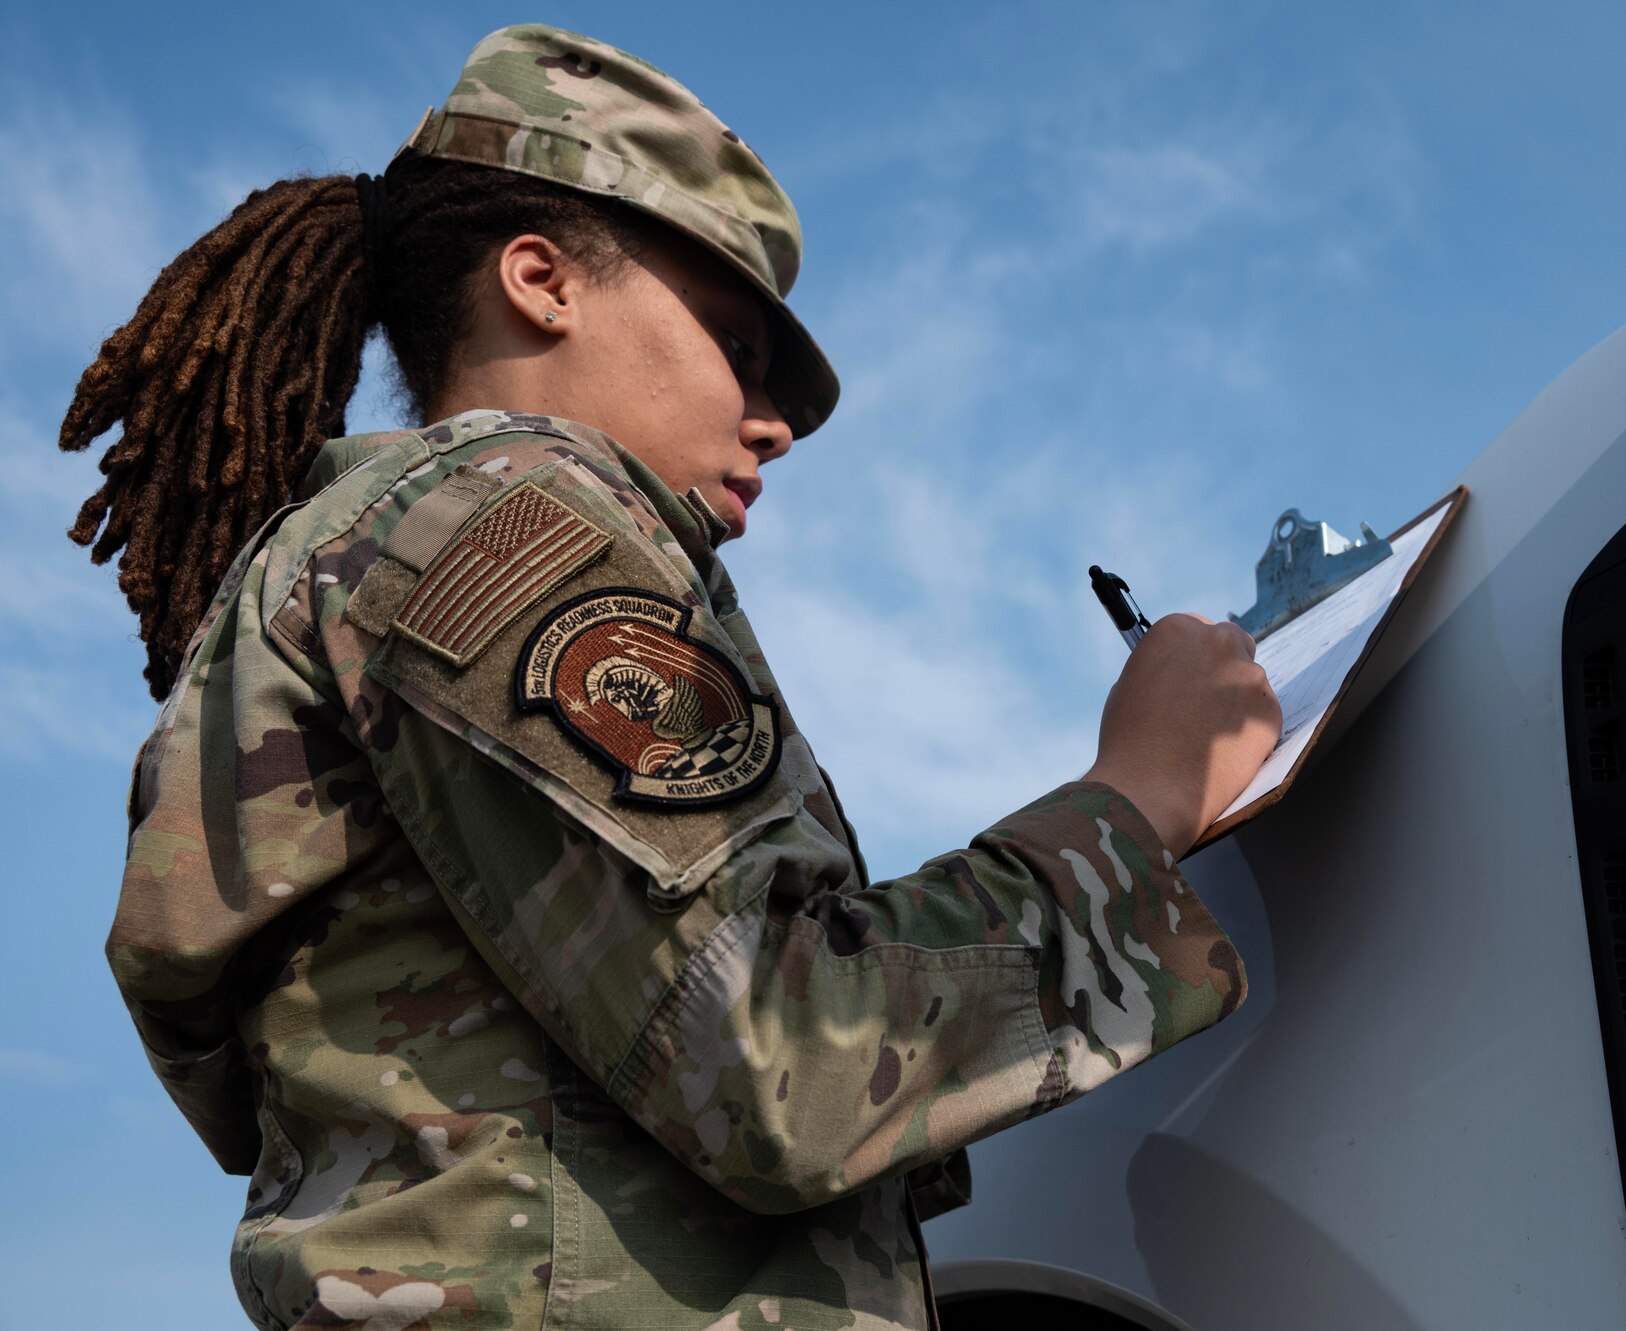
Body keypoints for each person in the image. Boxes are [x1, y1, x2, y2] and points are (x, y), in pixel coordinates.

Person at [62, 23, 1280, 1331]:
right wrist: (1134, 800)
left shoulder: (372, 551)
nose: (775, 425)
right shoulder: (505, 518)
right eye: (737, 349)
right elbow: (782, 1058)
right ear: (542, 281)